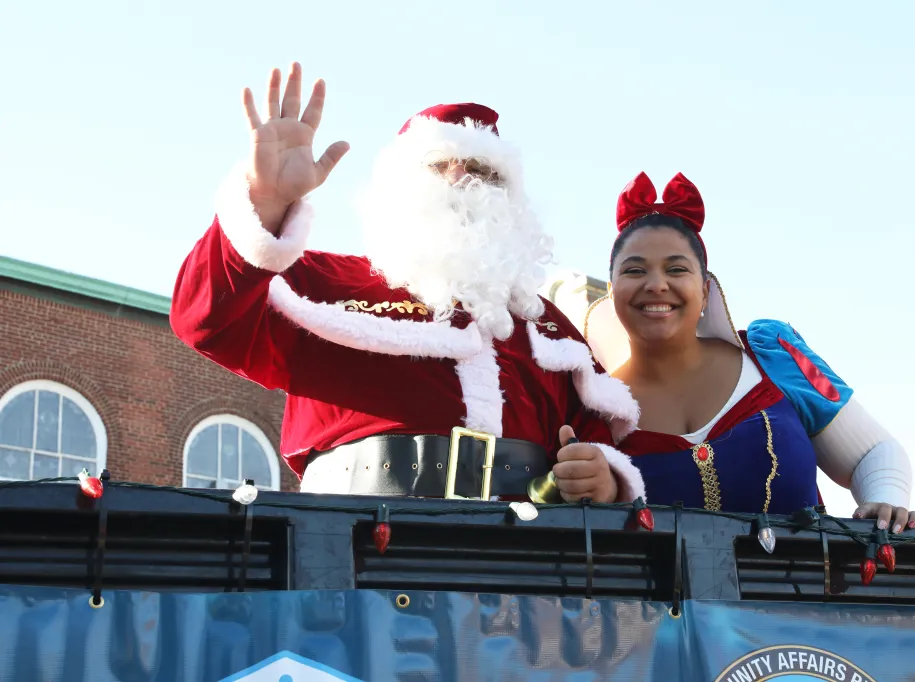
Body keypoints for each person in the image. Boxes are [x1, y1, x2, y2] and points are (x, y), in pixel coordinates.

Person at [169, 62, 645, 504]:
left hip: (516, 568)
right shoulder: (323, 283)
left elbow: (591, 440)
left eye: (482, 170)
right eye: (439, 164)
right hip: (358, 555)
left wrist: (602, 476)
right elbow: (205, 319)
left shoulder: (549, 328)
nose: (461, 179)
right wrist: (266, 203)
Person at [583, 170, 915, 531]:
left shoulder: (772, 357)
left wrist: (887, 504)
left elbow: (872, 452)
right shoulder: (594, 405)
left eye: (676, 269)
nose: (656, 285)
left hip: (804, 587)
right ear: (613, 291)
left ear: (706, 290)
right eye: (635, 271)